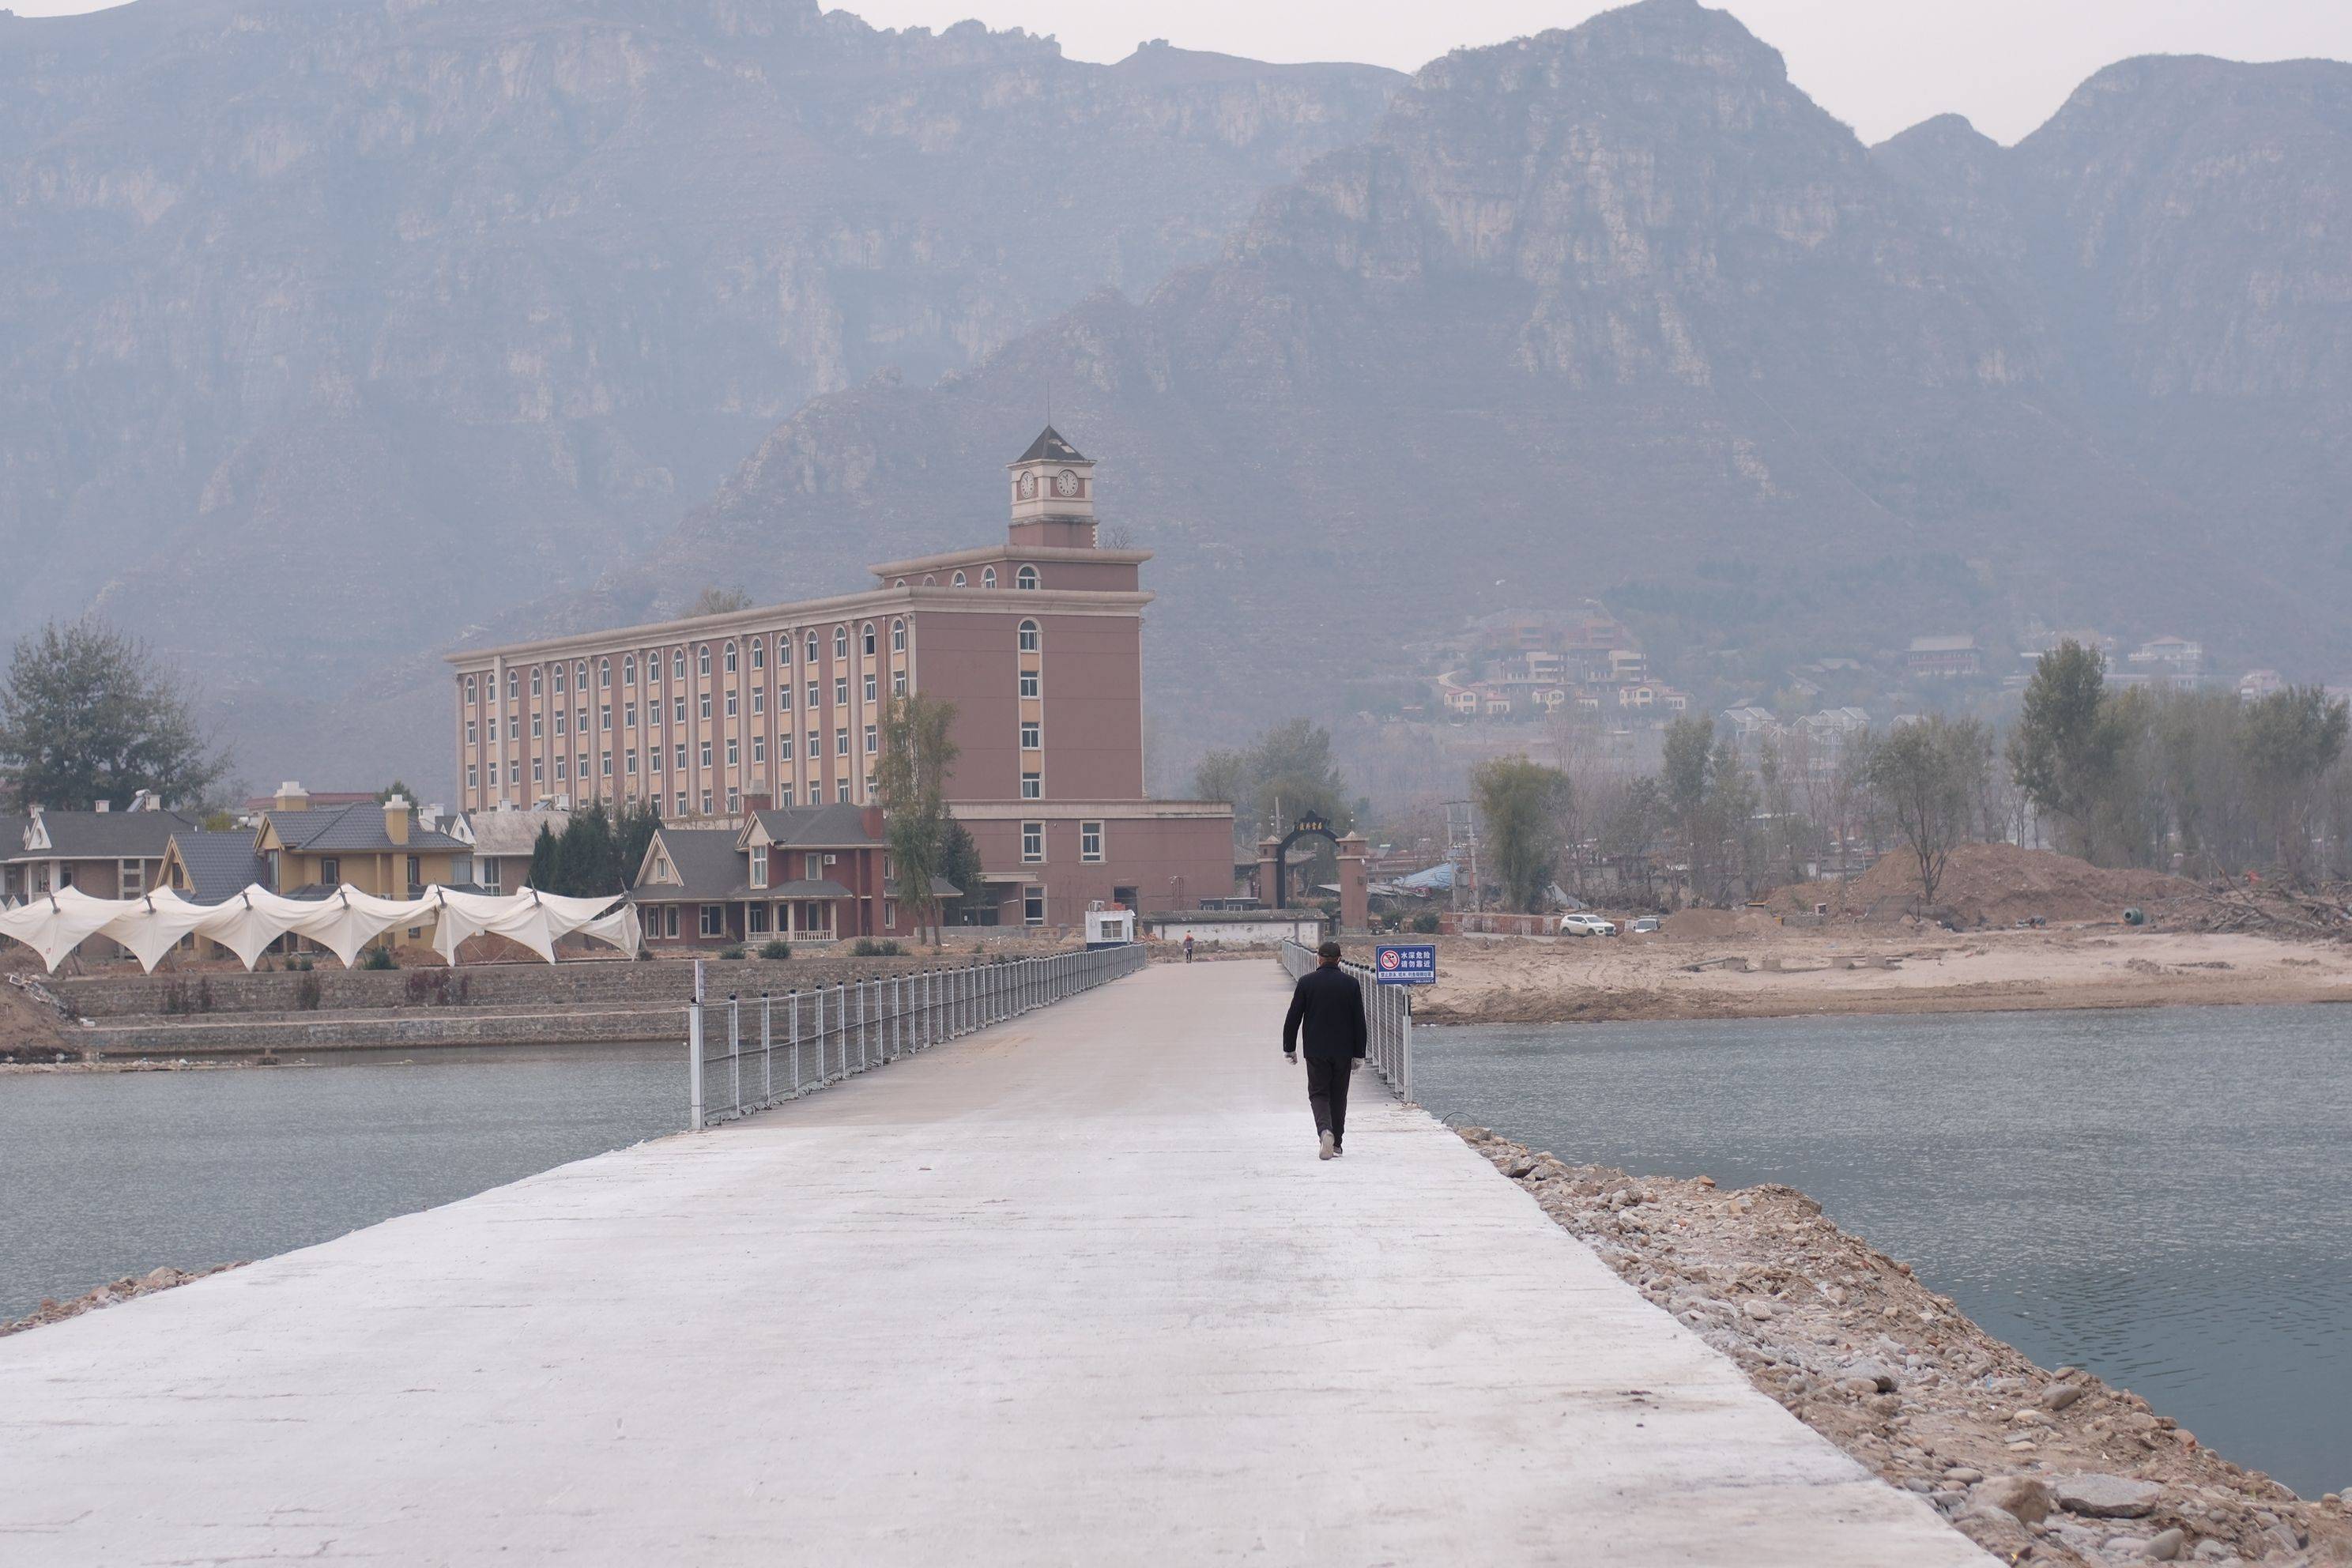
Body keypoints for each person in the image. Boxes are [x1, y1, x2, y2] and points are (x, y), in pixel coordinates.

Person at [1283, 940, 1366, 1160]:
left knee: (1319, 1093)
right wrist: (1359, 1054)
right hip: (1344, 1050)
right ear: (1339, 959)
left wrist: (1289, 1048)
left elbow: (1293, 1017)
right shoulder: (1351, 984)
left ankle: (1324, 1131)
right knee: (1339, 1095)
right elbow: (1359, 1021)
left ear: (1318, 958)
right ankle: (1337, 1143)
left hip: (1316, 1049)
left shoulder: (1306, 983)